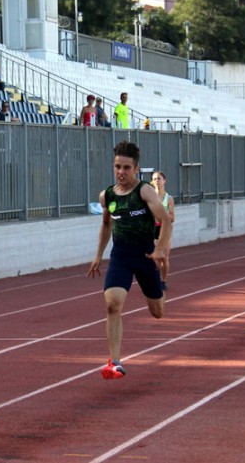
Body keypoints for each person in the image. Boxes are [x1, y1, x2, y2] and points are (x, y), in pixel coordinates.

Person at [87, 140, 172, 380]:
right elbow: (106, 224)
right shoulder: (108, 195)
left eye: (126, 168)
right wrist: (98, 255)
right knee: (112, 304)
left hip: (146, 255)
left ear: (136, 169)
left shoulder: (144, 191)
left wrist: (160, 250)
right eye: (117, 167)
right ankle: (114, 362)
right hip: (121, 255)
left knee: (158, 312)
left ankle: (159, 289)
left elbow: (165, 221)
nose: (121, 172)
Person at [149, 171, 175, 290]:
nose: (157, 181)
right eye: (154, 179)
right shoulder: (149, 198)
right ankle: (154, 279)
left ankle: (163, 281)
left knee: (164, 257)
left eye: (159, 179)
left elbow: (172, 218)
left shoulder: (168, 199)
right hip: (152, 228)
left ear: (164, 181)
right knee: (154, 256)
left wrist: (162, 213)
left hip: (164, 228)